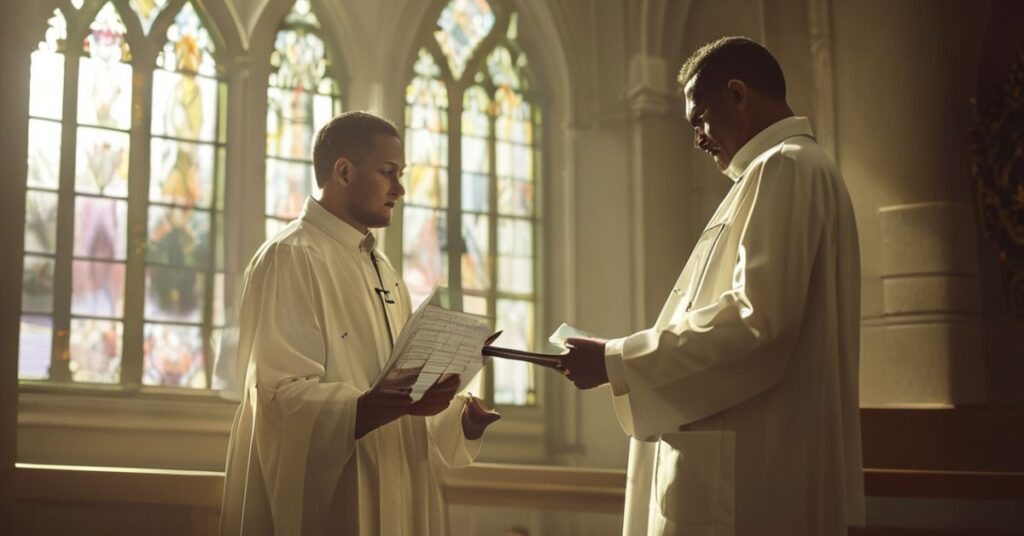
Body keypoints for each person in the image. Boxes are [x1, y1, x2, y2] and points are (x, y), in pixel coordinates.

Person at [557, 37, 865, 535]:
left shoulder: (783, 166)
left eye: (699, 117)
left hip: (750, 486)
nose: (698, 137)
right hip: (758, 469)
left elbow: (756, 322)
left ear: (739, 95)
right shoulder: (788, 170)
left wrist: (616, 359)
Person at [220, 111, 500, 535]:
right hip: (339, 496)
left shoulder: (383, 269)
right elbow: (278, 397)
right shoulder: (292, 256)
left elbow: (401, 385)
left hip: (397, 478)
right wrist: (365, 407)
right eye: (389, 172)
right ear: (344, 172)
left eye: (401, 174)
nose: (400, 189)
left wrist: (458, 418)